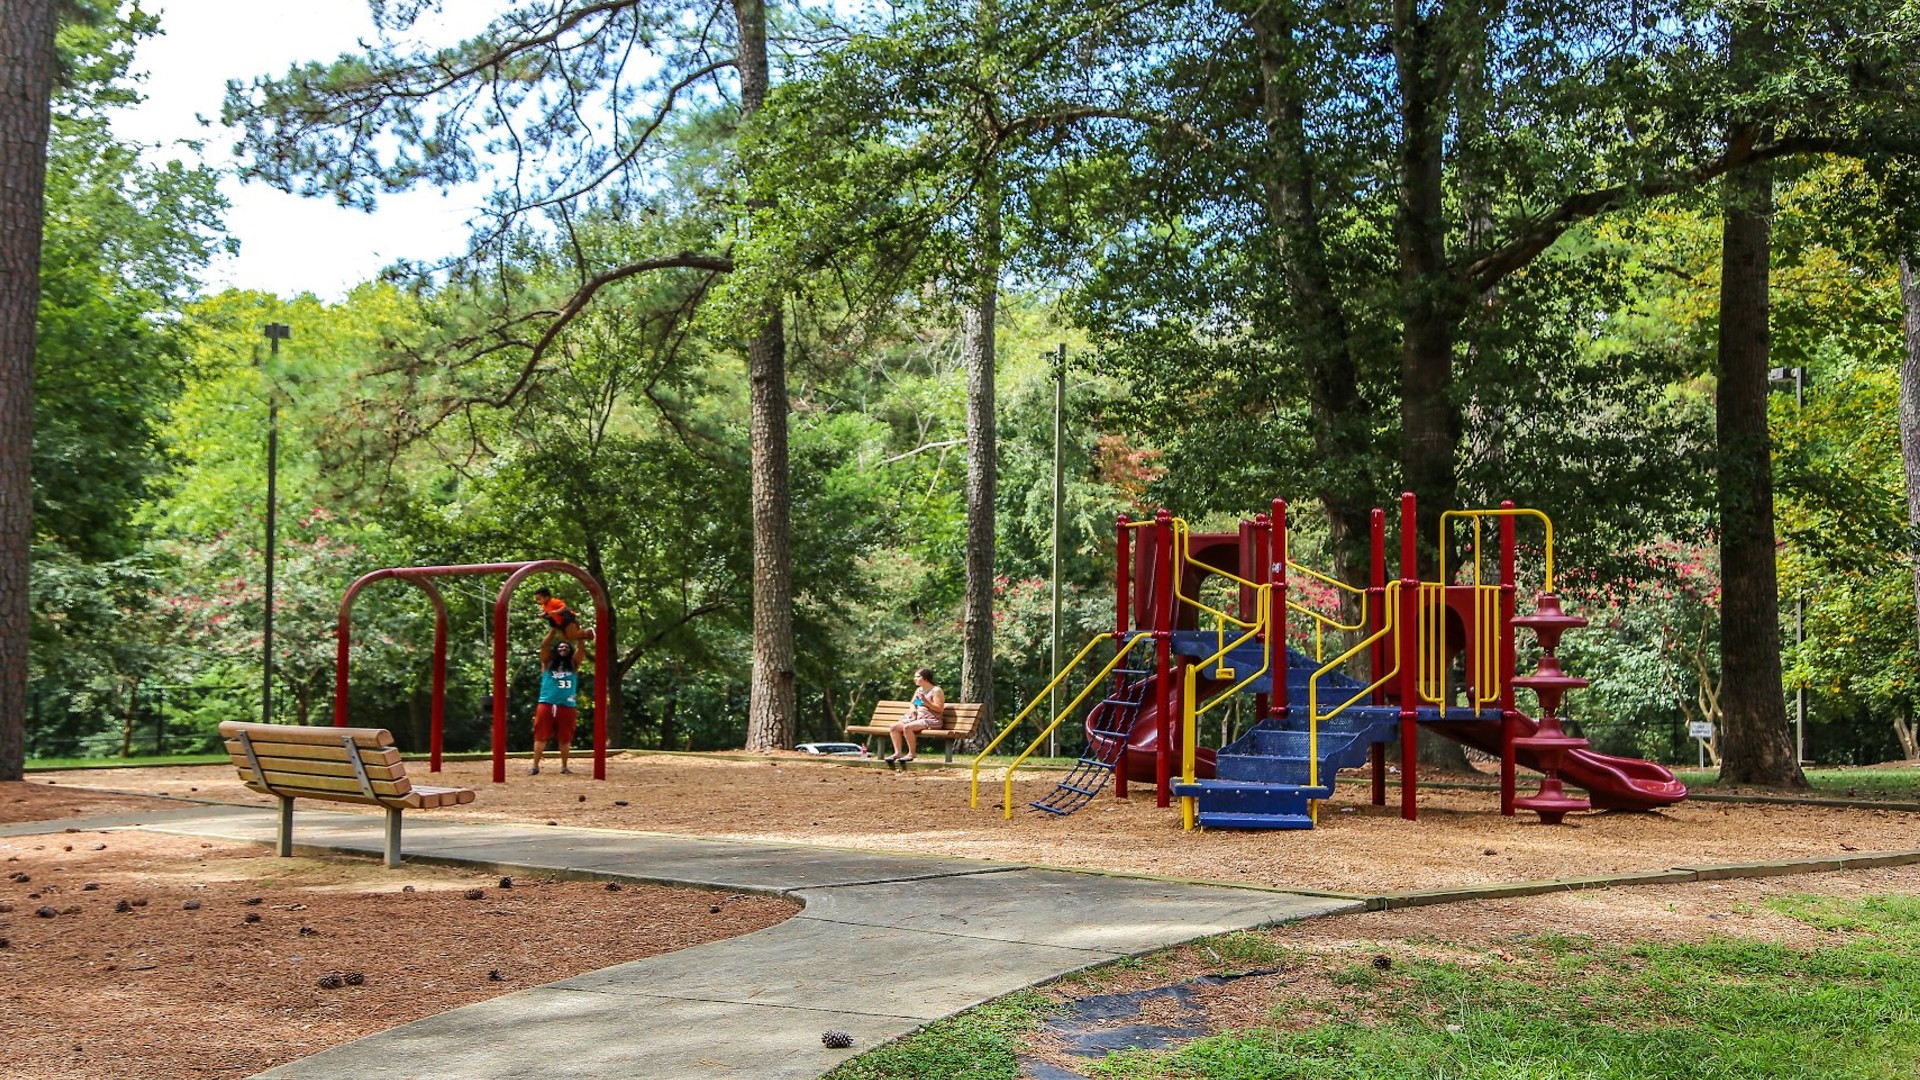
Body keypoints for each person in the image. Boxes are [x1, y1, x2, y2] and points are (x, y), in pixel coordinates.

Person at [531, 639, 580, 775]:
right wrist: (554, 628)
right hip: (547, 704)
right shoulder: (548, 663)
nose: (563, 648)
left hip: (567, 705)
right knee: (540, 736)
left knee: (565, 737)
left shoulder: (573, 664)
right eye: (560, 647)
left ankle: (564, 767)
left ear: (570, 650)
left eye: (566, 647)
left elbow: (581, 650)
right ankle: (535, 766)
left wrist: (580, 636)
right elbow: (544, 646)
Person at [886, 668, 946, 766]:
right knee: (894, 727)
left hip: (932, 720)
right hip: (918, 719)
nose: (915, 679)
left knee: (908, 727)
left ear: (925, 678)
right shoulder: (919, 690)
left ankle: (911, 753)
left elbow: (939, 709)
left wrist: (926, 702)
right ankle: (898, 753)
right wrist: (913, 710)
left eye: (917, 677)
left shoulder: (936, 690)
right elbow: (915, 703)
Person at [533, 587, 593, 657]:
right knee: (565, 638)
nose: (538, 601)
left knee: (572, 635)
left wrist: (556, 612)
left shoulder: (553, 601)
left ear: (546, 597)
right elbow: (547, 612)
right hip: (558, 623)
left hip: (566, 620)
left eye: (539, 599)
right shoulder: (544, 606)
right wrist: (543, 614)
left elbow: (564, 607)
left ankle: (586, 632)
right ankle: (584, 635)